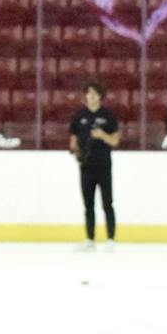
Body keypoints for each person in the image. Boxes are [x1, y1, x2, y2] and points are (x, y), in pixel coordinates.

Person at [68, 78, 120, 249]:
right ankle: (90, 239)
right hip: (86, 166)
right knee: (88, 204)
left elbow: (115, 140)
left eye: (95, 94)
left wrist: (102, 135)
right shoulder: (79, 116)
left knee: (107, 203)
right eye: (88, 94)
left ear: (100, 96)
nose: (91, 97)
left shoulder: (108, 115)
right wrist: (76, 153)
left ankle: (111, 239)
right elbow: (73, 140)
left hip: (104, 164)